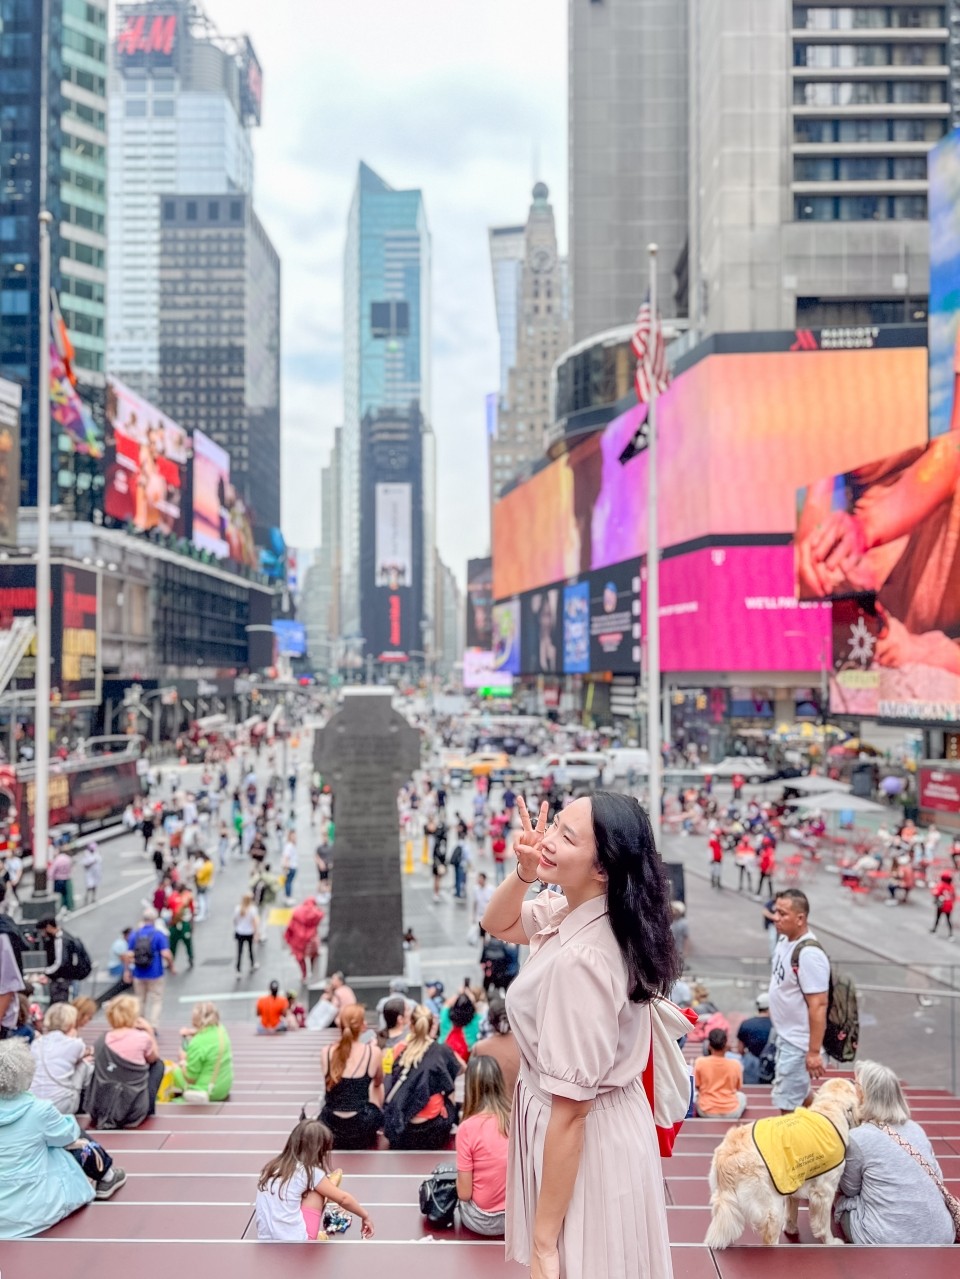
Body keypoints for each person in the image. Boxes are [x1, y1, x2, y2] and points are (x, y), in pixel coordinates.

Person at [481, 793, 679, 1279]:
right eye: (555, 826)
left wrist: (545, 1242)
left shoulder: (582, 960)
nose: (546, 840)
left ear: (603, 869)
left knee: (583, 1259)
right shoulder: (584, 912)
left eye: (565, 837)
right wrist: (526, 872)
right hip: (597, 1130)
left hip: (585, 1144)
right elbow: (498, 923)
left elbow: (570, 1111)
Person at [0, 1040, 126, 1238]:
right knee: (71, 1138)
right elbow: (68, 1136)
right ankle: (106, 1175)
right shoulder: (39, 1110)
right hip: (33, 1211)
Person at [834, 1059, 955, 1245]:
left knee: (838, 1200)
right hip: (942, 1234)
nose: (852, 1089)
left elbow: (850, 1189)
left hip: (886, 1239)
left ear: (866, 1095)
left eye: (855, 1084)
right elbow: (938, 1176)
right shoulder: (916, 1129)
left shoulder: (859, 1137)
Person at [255, 1116, 375, 1242]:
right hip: (298, 1241)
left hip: (265, 1240)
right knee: (315, 1192)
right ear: (319, 1150)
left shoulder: (271, 1168)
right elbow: (343, 1199)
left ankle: (327, 1186)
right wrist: (364, 1215)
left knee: (296, 1192)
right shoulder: (309, 1172)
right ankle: (327, 1188)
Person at [768, 888, 830, 1113]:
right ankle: (830, 1126)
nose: (776, 918)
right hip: (786, 1035)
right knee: (801, 1095)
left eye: (783, 914)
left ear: (800, 918)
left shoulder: (810, 955)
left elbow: (818, 1004)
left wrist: (813, 1052)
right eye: (776, 911)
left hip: (798, 1043)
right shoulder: (785, 941)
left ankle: (792, 1146)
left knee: (787, 1107)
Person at [383, 1004, 461, 1151]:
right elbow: (460, 1069)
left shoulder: (397, 1049)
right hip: (433, 1126)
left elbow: (387, 1080)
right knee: (450, 1095)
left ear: (411, 1025)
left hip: (403, 1125)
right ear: (431, 1025)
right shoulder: (441, 1051)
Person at [86, 995, 164, 1127]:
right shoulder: (142, 1038)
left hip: (101, 1108)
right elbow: (154, 1058)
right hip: (132, 1109)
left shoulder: (102, 1039)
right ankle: (149, 1108)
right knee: (158, 1065)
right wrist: (150, 1031)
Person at [456, 1055, 511, 1236]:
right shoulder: (516, 1119)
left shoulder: (466, 1128)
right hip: (518, 1218)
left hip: (483, 1220)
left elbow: (464, 1194)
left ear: (470, 1087)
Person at [319, 1004, 384, 1150]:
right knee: (377, 1086)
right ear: (362, 1026)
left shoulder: (327, 1052)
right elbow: (379, 1081)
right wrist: (373, 1049)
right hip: (361, 1126)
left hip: (330, 1125)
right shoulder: (373, 1052)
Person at [29, 1002, 93, 1115]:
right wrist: (74, 1036)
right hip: (61, 1103)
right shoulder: (75, 1044)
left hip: (34, 1101)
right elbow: (85, 1053)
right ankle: (86, 1105)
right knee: (84, 1064)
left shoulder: (36, 1043)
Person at [169, 1002, 232, 1101]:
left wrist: (182, 1061)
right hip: (222, 1087)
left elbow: (191, 1078)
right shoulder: (221, 1030)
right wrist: (191, 1032)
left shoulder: (197, 1043)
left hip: (207, 1092)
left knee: (171, 1069)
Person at [126, 908, 173, 1026]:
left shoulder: (134, 935)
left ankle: (141, 1023)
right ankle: (153, 1025)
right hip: (155, 972)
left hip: (138, 972)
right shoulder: (158, 935)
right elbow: (165, 953)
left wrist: (127, 971)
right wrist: (171, 965)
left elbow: (128, 955)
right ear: (154, 920)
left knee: (140, 999)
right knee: (156, 1000)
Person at [473, 995, 521, 1098]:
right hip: (521, 1109)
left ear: (489, 1019)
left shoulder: (479, 1048)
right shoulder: (525, 1045)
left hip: (494, 1109)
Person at [693, 1028, 746, 1119]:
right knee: (742, 1096)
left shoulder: (700, 1062)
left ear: (709, 1046)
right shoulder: (735, 1064)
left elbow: (697, 1085)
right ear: (726, 1045)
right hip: (731, 1112)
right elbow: (737, 1087)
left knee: (695, 1096)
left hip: (706, 1111)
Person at [283, 896, 323, 982]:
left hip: (298, 940)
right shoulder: (314, 913)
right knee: (313, 955)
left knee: (300, 958)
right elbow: (321, 915)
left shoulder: (297, 911)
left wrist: (288, 937)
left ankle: (304, 974)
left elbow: (290, 926)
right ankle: (311, 971)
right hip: (310, 939)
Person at [736, 993, 772, 1085]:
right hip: (772, 1067)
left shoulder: (746, 1024)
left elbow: (740, 1049)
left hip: (751, 1066)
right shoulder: (777, 1025)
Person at [233, 892, 260, 978]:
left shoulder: (238, 908)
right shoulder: (253, 909)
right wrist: (256, 933)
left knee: (239, 951)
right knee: (250, 949)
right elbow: (255, 922)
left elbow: (235, 920)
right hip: (249, 932)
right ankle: (252, 964)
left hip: (240, 932)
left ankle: (238, 969)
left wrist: (238, 927)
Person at [930, 871, 955, 938]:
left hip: (942, 905)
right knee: (948, 920)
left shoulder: (942, 885)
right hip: (949, 905)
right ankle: (950, 934)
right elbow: (953, 896)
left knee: (938, 918)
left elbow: (935, 893)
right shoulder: (951, 886)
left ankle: (934, 930)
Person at [50, 845, 74, 912]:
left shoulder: (57, 859)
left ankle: (59, 907)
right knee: (66, 894)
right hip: (66, 878)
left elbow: (52, 870)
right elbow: (70, 868)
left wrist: (50, 877)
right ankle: (67, 906)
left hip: (58, 879)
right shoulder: (68, 859)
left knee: (58, 894)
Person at [81, 842, 102, 906]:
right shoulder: (86, 854)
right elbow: (85, 864)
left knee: (95, 885)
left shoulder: (96, 854)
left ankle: (93, 898)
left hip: (95, 872)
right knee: (89, 886)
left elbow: (99, 860)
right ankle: (86, 897)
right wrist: (91, 863)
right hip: (89, 873)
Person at [281, 831, 298, 904]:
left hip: (292, 865)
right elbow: (286, 857)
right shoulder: (289, 846)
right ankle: (288, 897)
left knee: (288, 882)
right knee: (288, 882)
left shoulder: (292, 845)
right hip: (290, 866)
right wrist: (286, 867)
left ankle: (286, 896)